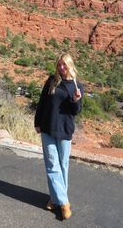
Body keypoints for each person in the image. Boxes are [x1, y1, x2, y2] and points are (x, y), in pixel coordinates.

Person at [34, 53, 83, 220]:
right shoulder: (52, 81)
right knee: (52, 165)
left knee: (63, 166)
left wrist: (76, 100)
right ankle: (63, 202)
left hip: (64, 130)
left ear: (70, 65)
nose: (61, 67)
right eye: (59, 64)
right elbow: (42, 102)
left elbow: (75, 112)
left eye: (64, 65)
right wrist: (37, 122)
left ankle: (56, 199)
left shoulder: (76, 85)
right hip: (47, 128)